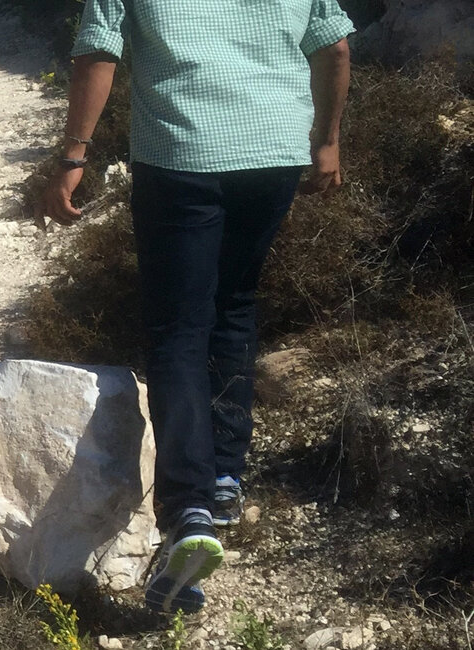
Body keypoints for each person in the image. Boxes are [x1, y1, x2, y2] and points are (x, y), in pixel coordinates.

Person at [42, 0, 353, 615]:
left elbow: (98, 52)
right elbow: (336, 48)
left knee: (179, 331)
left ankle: (189, 508)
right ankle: (226, 480)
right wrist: (328, 140)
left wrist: (74, 156)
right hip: (273, 153)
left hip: (181, 156)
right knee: (234, 305)